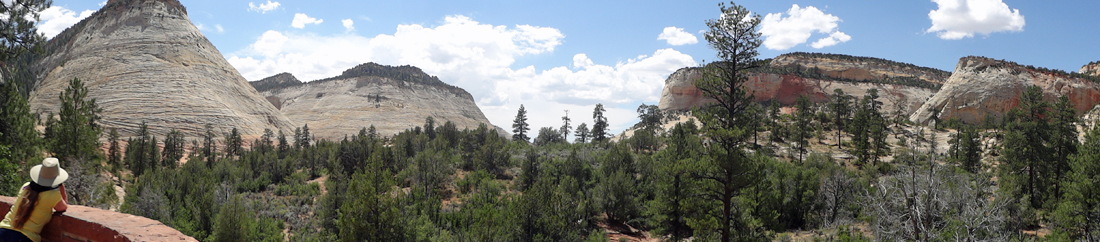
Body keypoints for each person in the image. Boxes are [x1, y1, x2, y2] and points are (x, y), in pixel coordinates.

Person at [0, 158, 69, 242]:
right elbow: (63, 207)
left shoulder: (25, 187)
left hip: (3, 230)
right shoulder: (53, 195)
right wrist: (61, 187)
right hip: (24, 238)